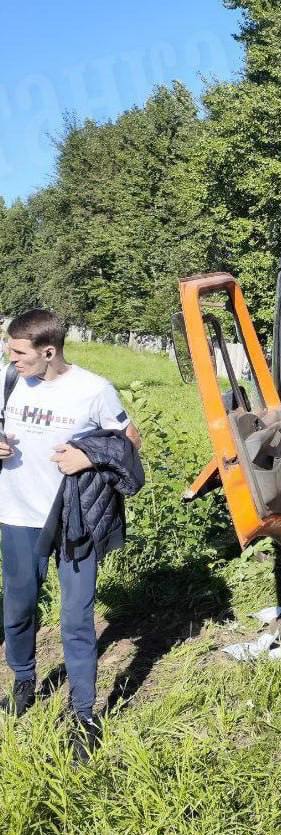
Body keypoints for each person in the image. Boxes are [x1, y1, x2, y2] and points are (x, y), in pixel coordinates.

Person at [0, 309, 142, 757]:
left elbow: (130, 440)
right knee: (18, 607)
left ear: (48, 351)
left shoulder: (93, 389)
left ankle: (83, 714)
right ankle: (24, 682)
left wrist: (89, 456)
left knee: (77, 617)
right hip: (16, 513)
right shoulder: (9, 379)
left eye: (18, 351)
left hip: (73, 518)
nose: (10, 357)